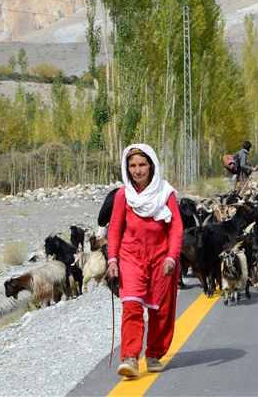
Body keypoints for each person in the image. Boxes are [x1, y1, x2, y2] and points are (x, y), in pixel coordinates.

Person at [106, 144, 184, 378]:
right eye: (132, 166)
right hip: (131, 257)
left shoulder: (165, 193)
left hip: (162, 258)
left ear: (151, 165)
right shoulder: (123, 195)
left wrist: (172, 256)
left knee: (160, 308)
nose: (137, 170)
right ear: (126, 168)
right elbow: (115, 228)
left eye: (142, 164)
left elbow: (177, 227)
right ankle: (130, 357)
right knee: (131, 305)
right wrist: (112, 259)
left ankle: (153, 353)